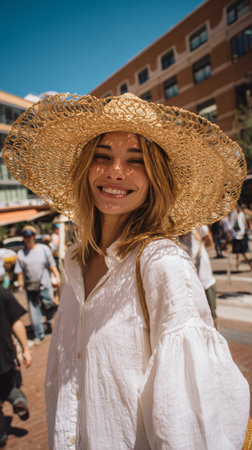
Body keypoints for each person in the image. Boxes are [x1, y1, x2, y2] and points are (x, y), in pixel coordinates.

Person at [2, 93, 251, 449]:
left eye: (136, 161)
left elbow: (189, 428)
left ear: (156, 179)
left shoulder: (163, 264)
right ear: (86, 168)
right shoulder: (75, 265)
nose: (116, 171)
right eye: (102, 156)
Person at [14, 226, 61, 344]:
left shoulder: (44, 249)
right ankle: (39, 334)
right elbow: (19, 271)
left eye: (29, 236)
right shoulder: (21, 254)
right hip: (31, 287)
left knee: (50, 305)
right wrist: (20, 282)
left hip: (45, 285)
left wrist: (57, 276)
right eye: (25, 237)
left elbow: (51, 265)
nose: (27, 239)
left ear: (34, 237)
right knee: (34, 312)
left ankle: (50, 322)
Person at [0, 286, 32, 447]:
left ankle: (1, 435)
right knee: (9, 385)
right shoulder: (2, 291)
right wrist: (25, 349)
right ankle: (18, 399)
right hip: (6, 357)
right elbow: (16, 321)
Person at [179, 226, 218, 328]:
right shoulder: (176, 234)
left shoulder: (197, 225)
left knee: (211, 318)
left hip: (205, 281)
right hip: (189, 282)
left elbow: (209, 241)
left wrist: (201, 245)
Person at [231, 204, 252, 271]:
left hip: (239, 236)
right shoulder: (239, 214)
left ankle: (250, 266)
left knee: (243, 252)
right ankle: (237, 265)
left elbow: (240, 226)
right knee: (238, 252)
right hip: (239, 235)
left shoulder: (239, 215)